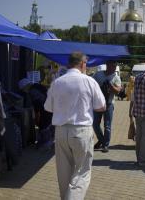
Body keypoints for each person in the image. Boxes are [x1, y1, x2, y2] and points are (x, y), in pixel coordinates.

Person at [44, 52, 106, 200]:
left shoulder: (57, 82)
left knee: (63, 173)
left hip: (61, 130)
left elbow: (48, 107)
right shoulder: (89, 81)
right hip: (81, 130)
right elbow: (101, 106)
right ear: (83, 64)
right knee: (81, 173)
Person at [92, 60, 122, 152]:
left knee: (107, 126)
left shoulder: (116, 77)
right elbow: (91, 84)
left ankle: (105, 145)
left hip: (109, 104)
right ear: (107, 66)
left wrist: (110, 86)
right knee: (95, 124)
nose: (113, 68)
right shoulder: (98, 74)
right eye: (112, 66)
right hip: (97, 103)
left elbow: (118, 91)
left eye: (114, 66)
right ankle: (102, 140)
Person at [18, 78, 53, 147]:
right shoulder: (38, 86)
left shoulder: (33, 91)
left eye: (23, 89)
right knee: (47, 125)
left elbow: (38, 103)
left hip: (44, 110)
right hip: (50, 107)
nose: (24, 91)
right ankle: (46, 142)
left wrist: (37, 113)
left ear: (26, 86)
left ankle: (46, 144)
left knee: (44, 125)